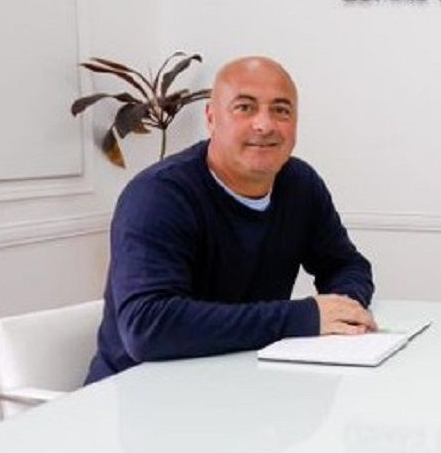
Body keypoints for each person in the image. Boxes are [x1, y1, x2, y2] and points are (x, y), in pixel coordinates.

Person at [86, 56, 375, 383]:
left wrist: (344, 310)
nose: (264, 125)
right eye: (244, 108)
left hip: (240, 382)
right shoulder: (158, 196)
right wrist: (306, 317)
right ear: (211, 119)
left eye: (281, 110)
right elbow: (148, 326)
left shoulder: (299, 184)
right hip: (138, 393)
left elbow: (346, 265)